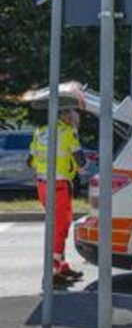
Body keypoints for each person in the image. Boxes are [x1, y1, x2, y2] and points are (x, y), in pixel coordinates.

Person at [28, 108, 86, 286]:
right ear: (67, 118)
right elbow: (81, 162)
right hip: (59, 185)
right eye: (75, 119)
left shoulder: (40, 131)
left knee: (56, 226)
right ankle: (53, 271)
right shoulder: (68, 132)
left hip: (42, 185)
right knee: (60, 228)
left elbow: (29, 161)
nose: (76, 121)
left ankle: (61, 266)